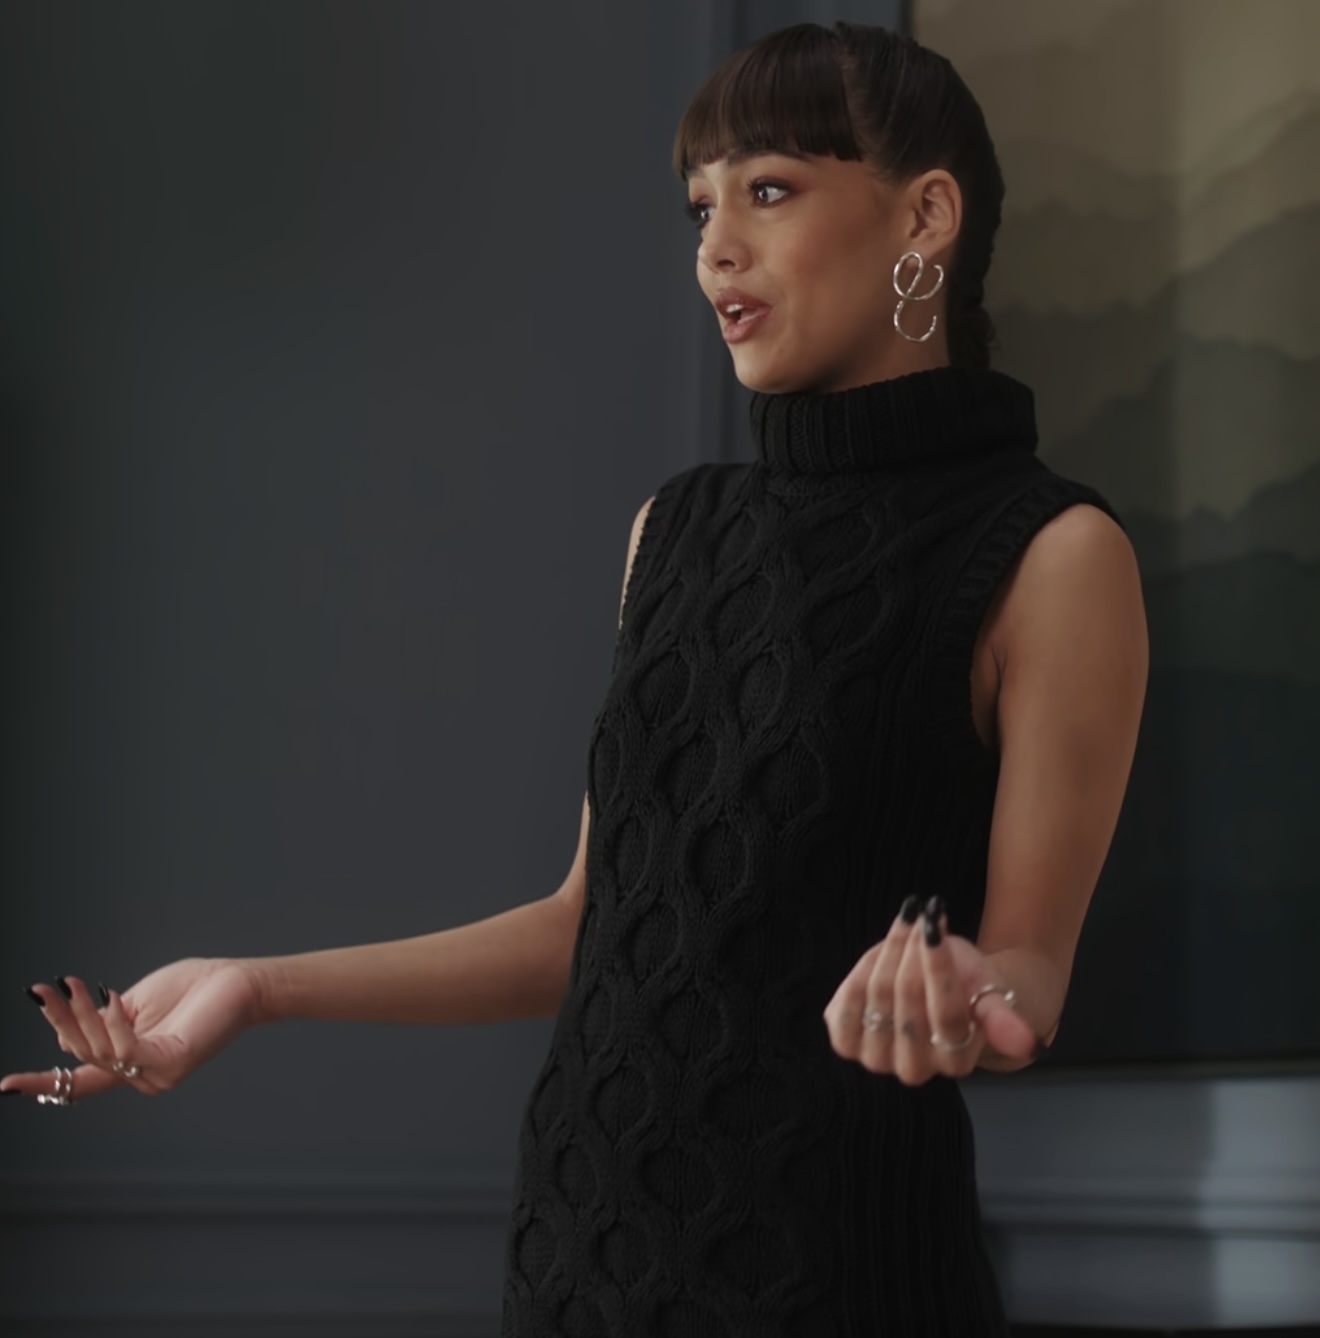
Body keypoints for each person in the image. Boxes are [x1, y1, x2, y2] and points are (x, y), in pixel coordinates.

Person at [1, 20, 1149, 1336]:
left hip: (837, 1272)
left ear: (925, 216)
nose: (715, 246)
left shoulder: (1055, 554)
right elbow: (593, 920)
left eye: (768, 189)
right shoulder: (674, 532)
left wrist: (963, 998)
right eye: (699, 205)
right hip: (578, 1258)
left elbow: (1029, 974)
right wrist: (257, 986)